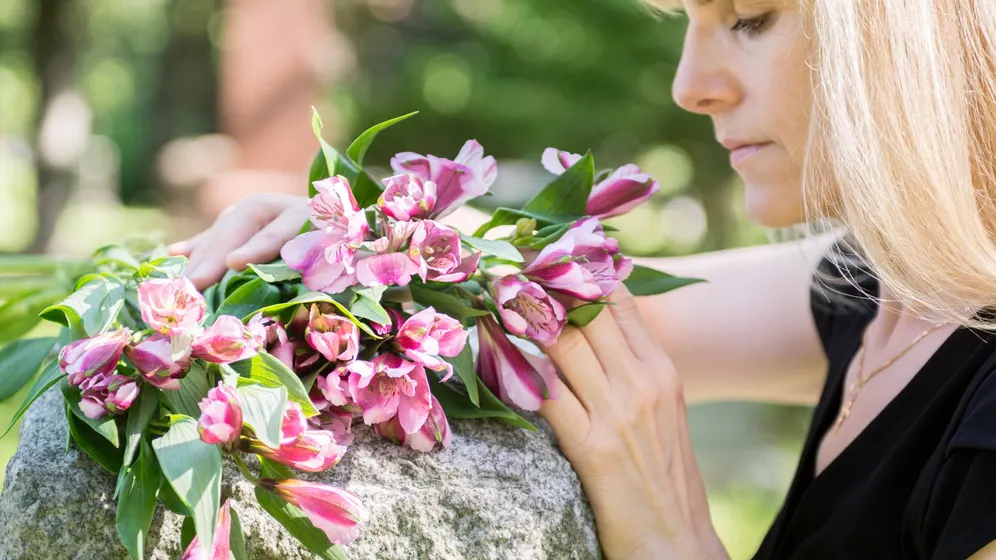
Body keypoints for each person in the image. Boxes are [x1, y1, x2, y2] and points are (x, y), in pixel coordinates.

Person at [168, 0, 996, 558]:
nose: (690, 86)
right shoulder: (888, 287)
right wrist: (358, 242)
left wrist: (674, 540)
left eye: (749, 17)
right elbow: (569, 321)